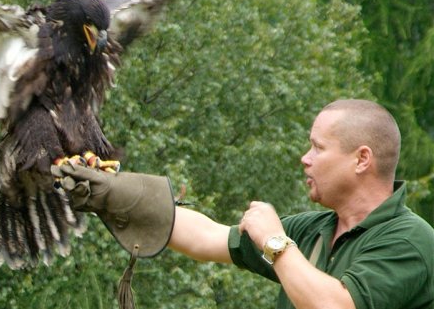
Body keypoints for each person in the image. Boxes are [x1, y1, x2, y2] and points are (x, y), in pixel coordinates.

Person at [53, 99, 434, 309]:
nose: (305, 157)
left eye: (318, 147)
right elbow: (207, 238)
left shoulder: (411, 242)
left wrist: (275, 242)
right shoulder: (314, 229)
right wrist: (114, 192)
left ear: (362, 159)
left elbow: (335, 306)